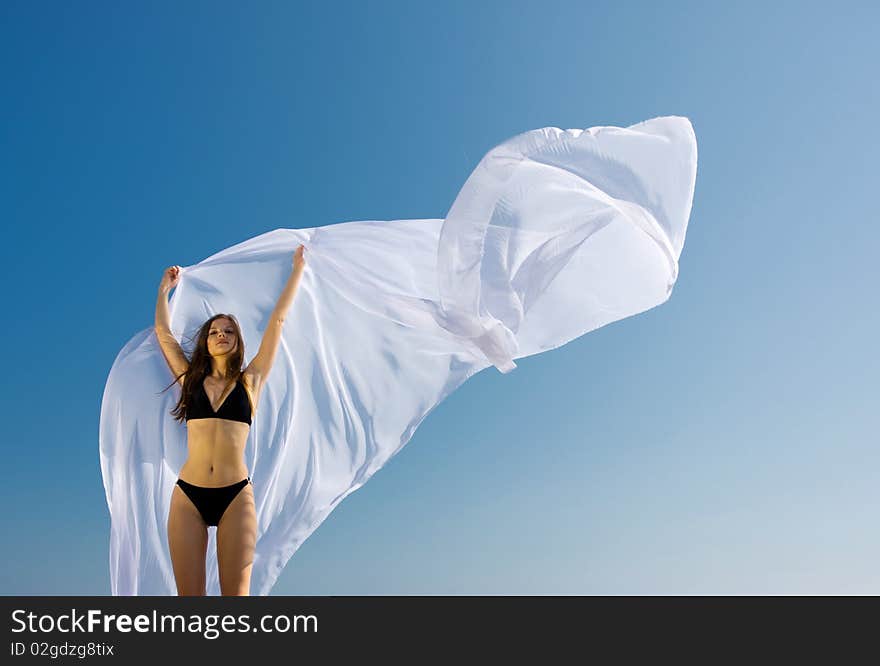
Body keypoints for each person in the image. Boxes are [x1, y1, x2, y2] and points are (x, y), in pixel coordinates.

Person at [153, 244, 306, 595]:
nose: (221, 335)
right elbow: (164, 333)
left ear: (237, 342)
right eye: (214, 332)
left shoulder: (250, 381)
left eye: (228, 331)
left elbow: (278, 320)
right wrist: (164, 290)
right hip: (188, 496)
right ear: (206, 343)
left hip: (236, 495)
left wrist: (298, 269)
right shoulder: (189, 378)